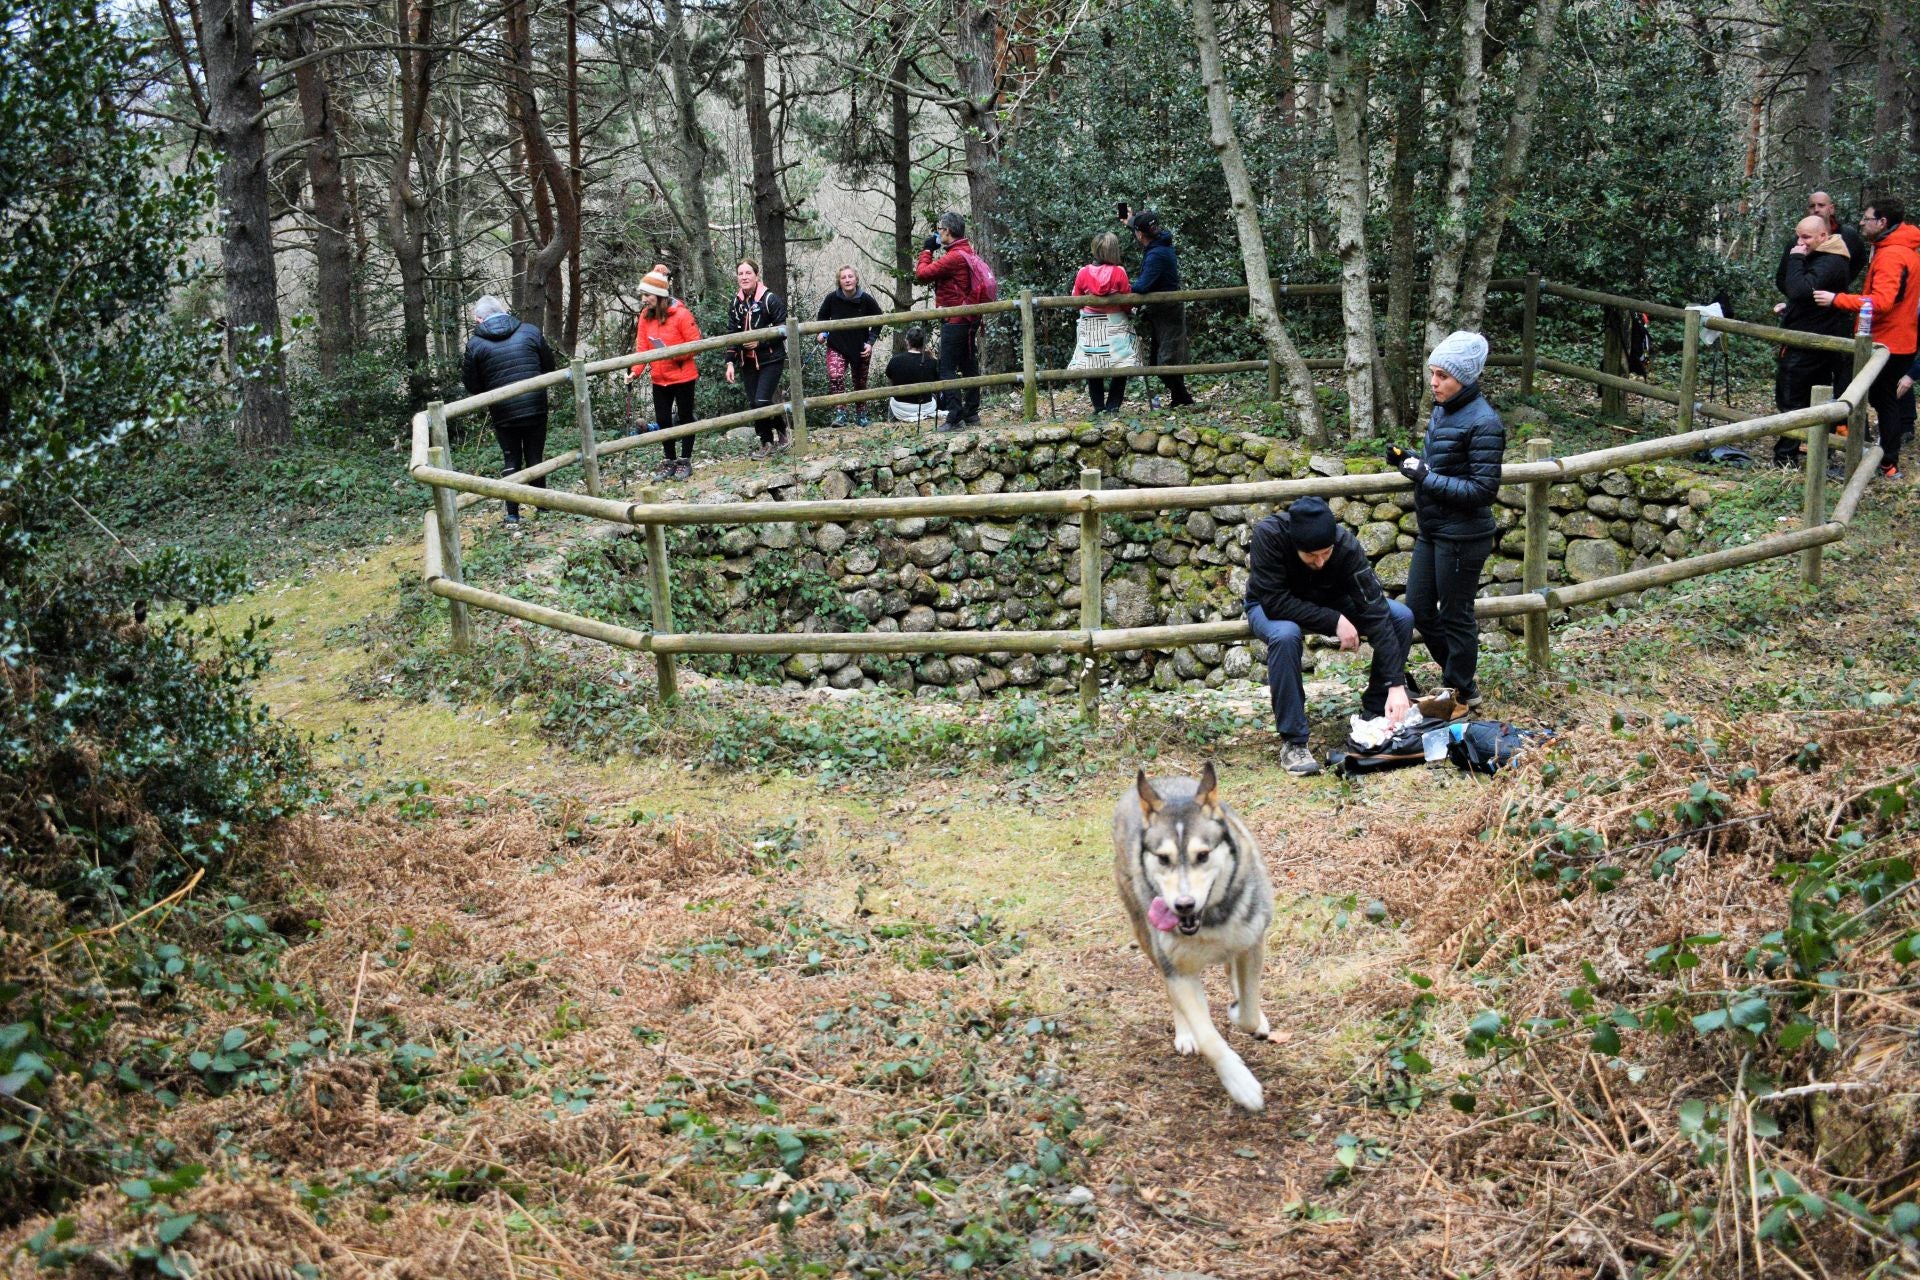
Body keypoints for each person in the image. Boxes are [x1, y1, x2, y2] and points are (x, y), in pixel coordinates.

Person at [1245, 497, 1413, 778]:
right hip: (1270, 604)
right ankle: (1294, 742)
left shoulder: (1346, 545)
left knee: (1400, 617)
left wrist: (1396, 685)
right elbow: (1274, 601)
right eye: (1311, 556)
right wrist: (1332, 620)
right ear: (1296, 545)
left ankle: (1376, 709)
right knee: (1286, 636)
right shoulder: (1269, 536)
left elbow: (1375, 609)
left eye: (1326, 552)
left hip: (1331, 600)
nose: (1321, 562)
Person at [1392, 331, 1505, 711]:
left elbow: (1482, 490)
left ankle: (1459, 690)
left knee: (1456, 615)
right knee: (1419, 608)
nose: (1434, 383)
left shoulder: (1484, 422)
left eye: (1443, 376)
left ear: (1466, 378)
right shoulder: (1444, 409)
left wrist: (1424, 476)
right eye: (1433, 373)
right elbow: (1440, 467)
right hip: (1434, 529)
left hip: (1464, 534)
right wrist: (1409, 461)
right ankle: (1460, 681)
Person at [1815, 197, 1920, 479]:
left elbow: (1882, 302)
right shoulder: (1895, 249)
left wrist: (1837, 299)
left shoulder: (1893, 254)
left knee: (1880, 400)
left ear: (1882, 222)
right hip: (1897, 340)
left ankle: (1884, 462)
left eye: (1867, 218)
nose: (1861, 222)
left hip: (1888, 343)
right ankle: (1884, 461)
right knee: (1882, 399)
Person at [461, 294, 556, 529]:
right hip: (535, 404)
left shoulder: (475, 344)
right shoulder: (530, 331)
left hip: (503, 411)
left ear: (479, 319)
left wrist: (492, 391)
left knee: (511, 457)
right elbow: (549, 366)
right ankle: (542, 505)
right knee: (535, 455)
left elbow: (472, 384)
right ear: (503, 311)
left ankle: (513, 514)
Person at [1771, 216, 1854, 466]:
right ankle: (1810, 449)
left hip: (1812, 343)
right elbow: (1795, 289)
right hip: (1811, 334)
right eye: (1798, 237)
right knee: (1806, 397)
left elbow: (1799, 288)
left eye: (1806, 237)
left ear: (1823, 237)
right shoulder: (1821, 255)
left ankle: (1786, 456)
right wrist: (1793, 308)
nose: (1800, 243)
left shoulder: (1831, 260)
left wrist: (1796, 257)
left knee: (1791, 397)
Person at [1118, 204, 1196, 410]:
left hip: (1167, 311)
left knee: (1165, 362)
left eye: (1136, 230)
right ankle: (1180, 399)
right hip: (1161, 311)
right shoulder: (1160, 241)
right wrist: (1129, 222)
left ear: (1141, 235)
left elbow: (1143, 286)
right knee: (1159, 361)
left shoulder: (1156, 255)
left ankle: (1185, 399)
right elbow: (1143, 232)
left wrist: (1119, 287)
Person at [630, 264, 702, 479]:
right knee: (663, 420)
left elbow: (695, 344)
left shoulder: (681, 315)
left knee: (686, 416)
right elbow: (642, 346)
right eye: (642, 295)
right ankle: (669, 460)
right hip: (659, 378)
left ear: (659, 295)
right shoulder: (645, 316)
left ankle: (685, 461)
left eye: (647, 295)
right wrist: (635, 372)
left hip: (683, 376)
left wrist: (672, 354)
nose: (644, 299)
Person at [914, 211, 984, 431]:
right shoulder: (966, 251)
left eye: (940, 229)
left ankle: (955, 417)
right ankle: (971, 411)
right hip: (969, 317)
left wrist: (927, 250)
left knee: (946, 368)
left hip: (955, 318)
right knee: (968, 364)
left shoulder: (954, 256)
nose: (938, 233)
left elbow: (922, 274)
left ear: (948, 231)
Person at [723, 258, 790, 457]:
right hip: (747, 361)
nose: (744, 277)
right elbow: (732, 332)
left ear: (756, 275)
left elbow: (783, 329)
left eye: (748, 273)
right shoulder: (736, 303)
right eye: (740, 274)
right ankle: (767, 441)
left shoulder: (769, 299)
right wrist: (729, 362)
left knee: (761, 401)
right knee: (755, 404)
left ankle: (779, 433)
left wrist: (760, 342)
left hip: (771, 359)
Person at [1066, 231, 1138, 415]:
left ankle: (1098, 407)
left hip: (1090, 324)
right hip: (1116, 323)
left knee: (1092, 364)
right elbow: (1126, 301)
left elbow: (1076, 300)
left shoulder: (1083, 272)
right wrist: (1130, 311)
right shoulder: (1119, 272)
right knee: (1121, 364)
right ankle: (1113, 406)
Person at [815, 265, 883, 427]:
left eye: (850, 276)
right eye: (843, 277)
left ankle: (861, 415)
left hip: (860, 347)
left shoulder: (866, 299)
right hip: (837, 345)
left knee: (860, 382)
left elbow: (879, 319)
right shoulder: (831, 298)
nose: (847, 280)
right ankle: (841, 414)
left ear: (856, 279)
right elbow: (822, 317)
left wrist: (870, 343)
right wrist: (822, 332)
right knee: (835, 376)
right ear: (839, 281)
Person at [885, 325, 941, 423]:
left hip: (900, 409)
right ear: (924, 344)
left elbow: (891, 380)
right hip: (926, 408)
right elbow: (937, 380)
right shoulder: (931, 362)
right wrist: (933, 357)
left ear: (907, 341)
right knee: (934, 396)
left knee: (892, 397)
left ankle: (891, 421)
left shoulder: (895, 360)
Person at [1809, 190, 1868, 280]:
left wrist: (1842, 282)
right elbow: (1783, 276)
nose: (1816, 210)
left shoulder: (1847, 235)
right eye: (1812, 206)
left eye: (1821, 205)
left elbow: (1860, 260)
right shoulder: (1799, 240)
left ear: (1831, 209)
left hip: (1838, 293)